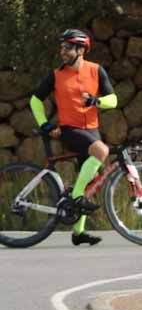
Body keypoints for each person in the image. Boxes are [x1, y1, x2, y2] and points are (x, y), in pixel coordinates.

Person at [30, 29, 119, 246]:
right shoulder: (56, 75)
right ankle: (76, 198)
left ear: (81, 50)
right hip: (71, 130)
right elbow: (35, 100)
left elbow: (113, 100)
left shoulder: (96, 70)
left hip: (92, 130)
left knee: (89, 181)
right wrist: (44, 124)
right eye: (61, 47)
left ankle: (78, 233)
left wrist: (97, 102)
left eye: (67, 47)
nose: (62, 51)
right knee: (102, 151)